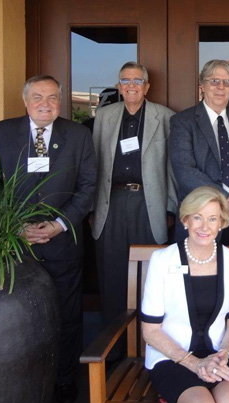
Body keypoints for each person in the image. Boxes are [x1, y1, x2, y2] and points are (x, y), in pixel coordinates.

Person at [0, 75, 97, 403]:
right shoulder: (0, 134)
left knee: (68, 312)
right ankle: (23, 378)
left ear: (60, 102)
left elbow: (88, 188)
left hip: (63, 241)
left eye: (52, 97)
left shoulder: (79, 135)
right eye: (38, 97)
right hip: (13, 245)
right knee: (15, 316)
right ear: (26, 101)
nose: (45, 103)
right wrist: (14, 228)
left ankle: (63, 379)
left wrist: (60, 225)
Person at [141, 186, 229, 403]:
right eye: (197, 217)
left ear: (222, 223)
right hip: (172, 357)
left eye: (212, 218)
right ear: (185, 220)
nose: (204, 226)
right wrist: (194, 363)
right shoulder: (161, 260)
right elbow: (150, 331)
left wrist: (223, 354)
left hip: (219, 355)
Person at [91, 61, 177, 334]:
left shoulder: (164, 117)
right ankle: (113, 349)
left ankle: (150, 344)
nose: (131, 86)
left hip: (149, 204)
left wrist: (171, 208)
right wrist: (92, 209)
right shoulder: (104, 117)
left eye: (137, 81)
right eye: (125, 81)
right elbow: (94, 162)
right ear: (119, 86)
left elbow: (173, 168)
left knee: (151, 275)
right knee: (112, 274)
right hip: (111, 204)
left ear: (147, 87)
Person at [169, 59, 229, 246]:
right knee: (201, 274)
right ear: (202, 86)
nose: (221, 87)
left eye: (227, 82)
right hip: (201, 218)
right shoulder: (182, 122)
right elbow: (185, 171)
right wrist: (228, 201)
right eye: (214, 81)